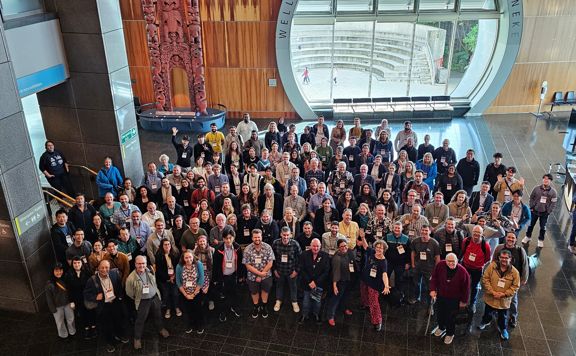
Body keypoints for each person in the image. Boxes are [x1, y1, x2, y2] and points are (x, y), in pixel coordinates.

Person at [83, 260, 128, 353]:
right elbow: (86, 294)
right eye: (102, 267)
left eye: (107, 267)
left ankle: (119, 335)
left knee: (118, 321)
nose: (104, 269)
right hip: (103, 306)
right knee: (106, 326)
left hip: (115, 303)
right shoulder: (92, 280)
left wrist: (119, 298)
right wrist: (95, 297)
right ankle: (109, 342)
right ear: (98, 268)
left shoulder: (114, 274)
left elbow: (119, 287)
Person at [125, 255, 169, 349]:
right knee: (140, 320)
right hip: (142, 302)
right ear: (135, 264)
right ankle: (137, 338)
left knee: (158, 315)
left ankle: (160, 329)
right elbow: (129, 293)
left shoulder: (150, 270)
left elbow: (155, 282)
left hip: (154, 298)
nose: (141, 265)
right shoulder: (131, 278)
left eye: (143, 263)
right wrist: (139, 297)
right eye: (139, 263)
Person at [478, 249, 520, 341]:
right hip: (490, 297)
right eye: (502, 257)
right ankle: (485, 321)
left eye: (506, 258)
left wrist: (504, 294)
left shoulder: (515, 273)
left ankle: (503, 329)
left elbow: (515, 286)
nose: (504, 260)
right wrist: (492, 292)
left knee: (503, 316)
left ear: (510, 259)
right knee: (487, 312)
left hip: (503, 301)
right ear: (499, 258)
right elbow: (485, 279)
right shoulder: (492, 266)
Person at [429, 253, 470, 345]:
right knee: (440, 313)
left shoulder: (463, 272)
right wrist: (432, 289)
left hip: (454, 299)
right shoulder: (440, 265)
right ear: (445, 261)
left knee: (450, 317)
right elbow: (434, 278)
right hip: (441, 295)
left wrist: (464, 301)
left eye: (453, 261)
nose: (451, 263)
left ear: (457, 261)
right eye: (449, 261)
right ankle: (441, 327)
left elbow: (466, 289)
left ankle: (450, 333)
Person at [492, 232, 529, 327]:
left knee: (513, 300)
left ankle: (513, 316)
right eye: (509, 237)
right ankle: (497, 311)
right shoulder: (499, 248)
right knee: (498, 295)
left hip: (513, 281)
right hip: (500, 278)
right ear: (505, 238)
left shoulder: (520, 250)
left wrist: (524, 278)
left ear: (516, 239)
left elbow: (525, 265)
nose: (510, 239)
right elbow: (493, 261)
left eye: (513, 238)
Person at [212, 227, 244, 322]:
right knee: (223, 295)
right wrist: (215, 279)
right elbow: (215, 266)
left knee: (234, 293)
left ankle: (234, 307)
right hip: (223, 276)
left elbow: (240, 263)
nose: (228, 240)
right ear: (223, 238)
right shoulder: (218, 250)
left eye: (230, 237)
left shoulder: (238, 248)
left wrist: (241, 276)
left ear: (233, 237)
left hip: (234, 275)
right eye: (226, 238)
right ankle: (223, 311)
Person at [358, 239, 391, 331]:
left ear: (384, 249)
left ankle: (377, 321)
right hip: (365, 279)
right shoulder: (372, 252)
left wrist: (386, 285)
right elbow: (365, 246)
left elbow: (384, 274)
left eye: (381, 248)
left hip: (374, 284)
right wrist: (363, 237)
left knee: (374, 303)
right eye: (377, 247)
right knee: (364, 294)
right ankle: (365, 304)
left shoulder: (383, 262)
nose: (379, 249)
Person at [243, 229, 275, 319]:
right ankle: (256, 307)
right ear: (252, 238)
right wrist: (259, 274)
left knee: (265, 290)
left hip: (266, 275)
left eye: (259, 237)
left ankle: (264, 306)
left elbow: (270, 263)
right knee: (254, 292)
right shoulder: (247, 249)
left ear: (261, 237)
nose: (257, 239)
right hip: (252, 276)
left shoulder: (268, 247)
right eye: (255, 237)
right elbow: (247, 265)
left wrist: (261, 275)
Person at [299, 238, 330, 324]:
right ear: (310, 246)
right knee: (306, 301)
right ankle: (304, 315)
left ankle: (316, 314)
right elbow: (302, 269)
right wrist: (309, 281)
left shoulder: (325, 256)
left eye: (317, 246)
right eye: (314, 246)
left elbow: (326, 272)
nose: (315, 248)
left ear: (320, 247)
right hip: (307, 283)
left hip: (319, 284)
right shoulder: (304, 254)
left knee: (317, 302)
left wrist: (316, 282)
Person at [327, 238, 356, 326]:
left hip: (349, 279)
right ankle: (330, 316)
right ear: (338, 248)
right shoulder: (337, 258)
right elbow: (336, 273)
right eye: (341, 246)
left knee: (346, 296)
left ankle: (344, 308)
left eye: (345, 245)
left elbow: (353, 264)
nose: (344, 247)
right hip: (340, 281)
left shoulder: (350, 252)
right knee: (336, 298)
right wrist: (335, 286)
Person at [461, 225, 491, 313]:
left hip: (477, 269)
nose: (476, 234)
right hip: (465, 266)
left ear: (482, 234)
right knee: (464, 283)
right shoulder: (466, 241)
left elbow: (487, 258)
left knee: (474, 286)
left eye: (478, 233)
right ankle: (463, 299)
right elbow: (463, 251)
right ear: (472, 233)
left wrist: (479, 264)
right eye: (475, 232)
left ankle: (472, 303)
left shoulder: (485, 246)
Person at [272, 227, 302, 313]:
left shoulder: (295, 244)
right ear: (281, 234)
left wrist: (296, 271)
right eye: (284, 235)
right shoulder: (275, 243)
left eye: (287, 235)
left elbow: (300, 259)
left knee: (293, 287)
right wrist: (274, 270)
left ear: (290, 235)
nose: (285, 237)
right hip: (279, 271)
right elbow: (272, 258)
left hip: (291, 271)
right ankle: (278, 301)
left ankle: (294, 302)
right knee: (279, 286)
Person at [522, 173, 558, 248]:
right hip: (534, 210)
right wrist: (531, 206)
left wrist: (548, 211)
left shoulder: (553, 192)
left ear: (550, 181)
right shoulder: (536, 188)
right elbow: (531, 197)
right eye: (544, 178)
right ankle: (528, 236)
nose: (545, 180)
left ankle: (540, 240)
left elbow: (553, 203)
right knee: (530, 224)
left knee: (543, 227)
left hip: (544, 213)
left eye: (547, 179)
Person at [408, 225, 440, 305]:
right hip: (417, 267)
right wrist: (413, 264)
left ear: (430, 231)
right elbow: (413, 252)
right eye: (423, 230)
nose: (424, 232)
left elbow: (437, 257)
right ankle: (416, 297)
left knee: (430, 286)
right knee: (416, 283)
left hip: (429, 268)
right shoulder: (415, 241)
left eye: (426, 230)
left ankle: (430, 303)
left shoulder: (434, 243)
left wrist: (436, 270)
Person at [176, 250, 205, 334]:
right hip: (185, 293)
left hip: (196, 292)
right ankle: (189, 324)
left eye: (190, 257)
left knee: (198, 309)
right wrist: (186, 295)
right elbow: (178, 282)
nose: (188, 259)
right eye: (186, 257)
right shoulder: (179, 266)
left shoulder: (198, 264)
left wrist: (194, 293)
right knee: (187, 310)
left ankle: (199, 325)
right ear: (183, 258)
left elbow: (201, 279)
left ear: (193, 257)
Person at [65, 256, 96, 339]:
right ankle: (86, 328)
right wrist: (71, 301)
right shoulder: (69, 274)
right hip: (77, 298)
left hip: (88, 297)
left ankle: (93, 327)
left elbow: (93, 285)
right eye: (74, 263)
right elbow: (69, 289)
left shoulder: (87, 272)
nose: (77, 264)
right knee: (82, 313)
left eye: (78, 262)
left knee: (91, 312)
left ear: (82, 263)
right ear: (72, 264)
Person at [46, 262, 76, 339]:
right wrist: (52, 309)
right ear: (53, 272)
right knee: (60, 322)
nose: (59, 272)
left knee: (71, 319)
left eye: (60, 270)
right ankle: (63, 335)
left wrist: (72, 301)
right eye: (56, 271)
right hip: (57, 306)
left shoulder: (66, 279)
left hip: (68, 303)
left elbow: (71, 291)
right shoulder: (50, 284)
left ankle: (72, 332)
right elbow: (49, 298)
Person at [154, 238, 181, 319]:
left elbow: (178, 266)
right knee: (166, 294)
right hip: (163, 279)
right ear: (162, 246)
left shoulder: (175, 253)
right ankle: (168, 308)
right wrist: (168, 278)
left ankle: (176, 307)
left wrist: (174, 276)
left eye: (168, 244)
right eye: (165, 244)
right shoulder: (158, 255)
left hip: (175, 277)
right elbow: (158, 270)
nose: (167, 246)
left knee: (175, 293)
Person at [385, 221, 410, 300]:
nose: (397, 229)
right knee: (386, 276)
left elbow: (409, 252)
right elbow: (383, 249)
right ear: (393, 228)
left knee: (399, 279)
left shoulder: (406, 239)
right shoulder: (387, 237)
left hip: (401, 263)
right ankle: (385, 292)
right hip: (388, 261)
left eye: (399, 228)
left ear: (402, 229)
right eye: (395, 227)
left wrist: (407, 263)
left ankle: (399, 295)